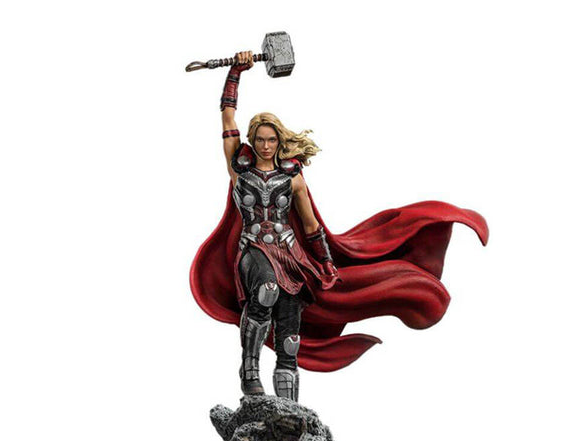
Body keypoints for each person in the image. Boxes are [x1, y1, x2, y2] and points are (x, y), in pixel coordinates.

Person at [190, 51, 489, 402]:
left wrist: (327, 261)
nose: (266, 146)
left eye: (271, 140)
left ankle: (289, 405)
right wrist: (235, 73)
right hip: (253, 250)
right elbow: (227, 115)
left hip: (290, 255)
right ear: (252, 141)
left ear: (279, 142)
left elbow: (310, 225)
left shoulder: (292, 178)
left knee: (289, 327)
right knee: (265, 291)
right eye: (260, 140)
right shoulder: (239, 170)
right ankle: (250, 370)